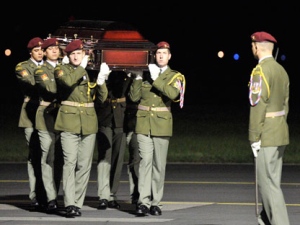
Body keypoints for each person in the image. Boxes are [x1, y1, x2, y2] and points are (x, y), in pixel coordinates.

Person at [128, 41, 186, 216]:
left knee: (159, 165)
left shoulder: (176, 76)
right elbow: (133, 97)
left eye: (164, 53)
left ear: (169, 56)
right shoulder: (145, 74)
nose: (161, 56)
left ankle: (156, 202)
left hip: (161, 124)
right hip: (144, 123)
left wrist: (156, 79)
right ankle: (143, 202)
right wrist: (137, 79)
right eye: (158, 53)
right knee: (145, 163)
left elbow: (173, 94)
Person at [54, 39, 108, 217]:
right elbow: (68, 82)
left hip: (89, 122)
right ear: (68, 56)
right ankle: (69, 203)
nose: (76, 56)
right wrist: (81, 68)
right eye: (73, 54)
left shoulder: (88, 72)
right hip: (69, 122)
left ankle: (77, 203)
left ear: (84, 54)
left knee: (84, 165)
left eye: (79, 53)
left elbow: (100, 99)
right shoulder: (61, 69)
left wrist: (101, 82)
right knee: (70, 163)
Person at [248, 31, 290, 225]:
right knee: (272, 182)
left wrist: (254, 137)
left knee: (268, 187)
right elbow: (285, 104)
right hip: (279, 131)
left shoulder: (260, 71)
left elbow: (258, 105)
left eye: (252, 45)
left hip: (266, 134)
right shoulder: (281, 70)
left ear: (257, 47)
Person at [15, 37, 47, 208]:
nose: (40, 52)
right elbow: (33, 85)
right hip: (31, 113)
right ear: (30, 52)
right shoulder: (23, 67)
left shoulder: (49, 65)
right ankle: (35, 194)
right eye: (36, 50)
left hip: (47, 113)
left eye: (42, 49)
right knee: (34, 156)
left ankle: (47, 192)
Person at [34, 38, 63, 213]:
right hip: (46, 115)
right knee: (47, 157)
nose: (54, 51)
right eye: (50, 49)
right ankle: (49, 198)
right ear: (44, 52)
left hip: (62, 116)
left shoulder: (65, 68)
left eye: (56, 48)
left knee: (58, 159)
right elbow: (52, 89)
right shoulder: (40, 70)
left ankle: (53, 194)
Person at [95, 70, 131, 210]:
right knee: (105, 157)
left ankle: (112, 194)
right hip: (105, 115)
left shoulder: (125, 74)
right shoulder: (100, 69)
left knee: (117, 158)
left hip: (120, 117)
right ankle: (103, 195)